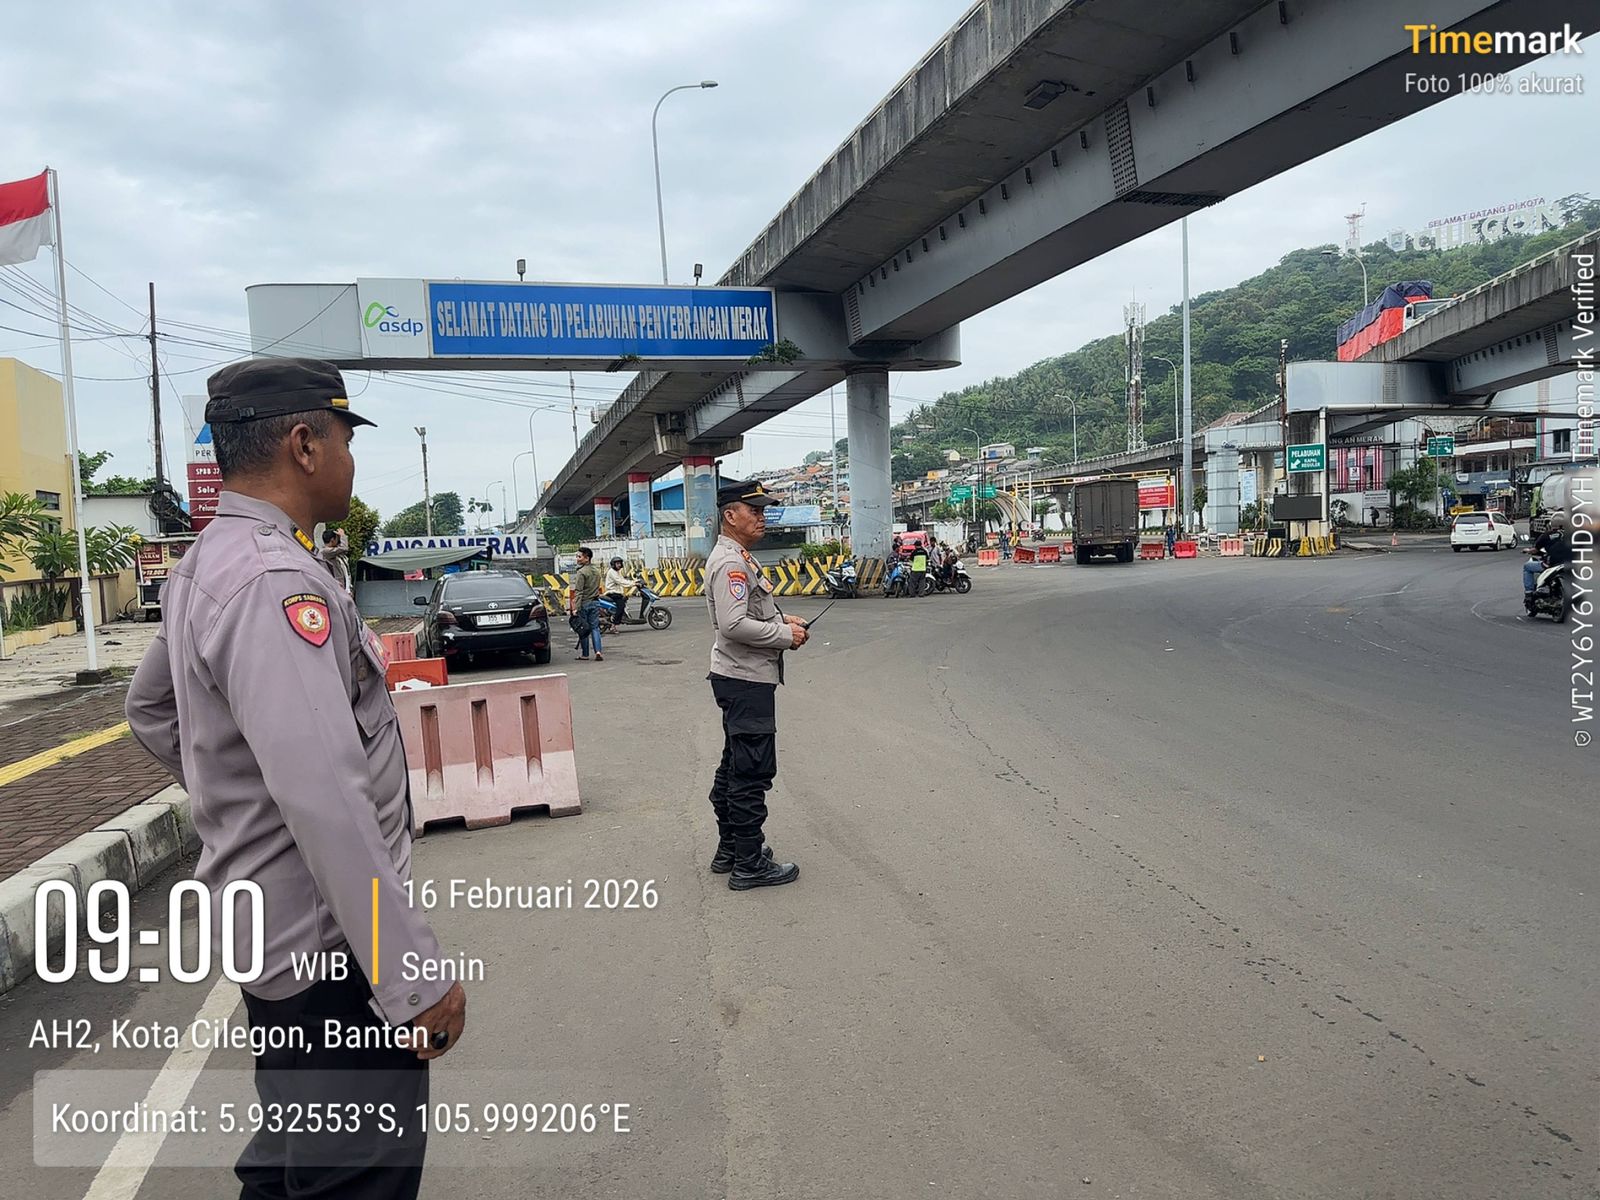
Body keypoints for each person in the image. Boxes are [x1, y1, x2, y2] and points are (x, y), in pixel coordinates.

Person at [124, 358, 465, 1200]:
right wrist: (412, 978)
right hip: (330, 952)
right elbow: (325, 796)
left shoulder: (209, 561)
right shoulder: (276, 580)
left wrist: (244, 799)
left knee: (293, 1162)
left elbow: (153, 710)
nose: (351, 459)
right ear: (305, 444)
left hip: (278, 937)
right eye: (346, 438)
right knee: (353, 1176)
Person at [703, 479, 807, 890]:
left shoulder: (737, 557)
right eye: (755, 511)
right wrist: (784, 636)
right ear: (731, 516)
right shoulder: (731, 563)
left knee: (734, 765)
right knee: (751, 773)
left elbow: (750, 612)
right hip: (745, 680)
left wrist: (783, 620)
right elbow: (733, 625)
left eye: (763, 511)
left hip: (739, 678)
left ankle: (730, 849)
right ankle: (749, 864)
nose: (762, 517)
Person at [569, 546, 604, 661]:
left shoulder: (581, 572)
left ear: (587, 558)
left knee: (583, 629)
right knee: (595, 628)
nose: (577, 559)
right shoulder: (596, 571)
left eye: (579, 557)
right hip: (595, 602)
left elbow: (579, 591)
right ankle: (598, 651)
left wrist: (575, 608)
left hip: (584, 603)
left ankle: (585, 654)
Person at [1524, 525, 1572, 605]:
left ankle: (1528, 593)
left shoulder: (1546, 535)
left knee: (1527, 566)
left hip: (1552, 564)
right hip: (1570, 563)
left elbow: (1535, 550)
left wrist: (1528, 550)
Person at [318, 525, 353, 594]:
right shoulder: (325, 552)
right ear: (332, 540)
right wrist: (343, 536)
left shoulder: (335, 552)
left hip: (344, 587)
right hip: (337, 588)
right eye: (337, 538)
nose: (338, 540)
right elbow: (344, 548)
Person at [604, 556, 636, 624]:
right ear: (613, 564)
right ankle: (615, 622)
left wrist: (634, 581)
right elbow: (620, 582)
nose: (619, 565)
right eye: (617, 563)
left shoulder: (617, 572)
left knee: (625, 600)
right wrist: (634, 584)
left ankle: (623, 617)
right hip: (612, 593)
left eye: (620, 563)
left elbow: (623, 580)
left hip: (617, 593)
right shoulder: (612, 572)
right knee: (621, 606)